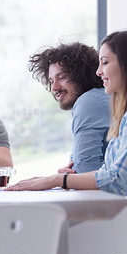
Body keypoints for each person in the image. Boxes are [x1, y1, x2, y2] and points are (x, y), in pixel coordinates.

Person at [8, 29, 127, 214]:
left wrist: (56, 180)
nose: (99, 72)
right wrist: (66, 177)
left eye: (105, 63)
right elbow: (108, 171)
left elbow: (118, 180)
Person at [28, 42, 110, 173]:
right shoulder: (103, 97)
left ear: (82, 75)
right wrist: (71, 174)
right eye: (51, 81)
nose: (54, 88)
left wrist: (66, 178)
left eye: (61, 77)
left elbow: (84, 171)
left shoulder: (88, 102)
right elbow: (79, 168)